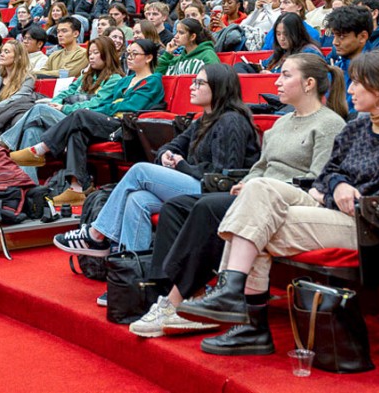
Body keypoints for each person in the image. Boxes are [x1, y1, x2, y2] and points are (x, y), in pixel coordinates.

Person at [176, 50, 379, 356]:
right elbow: (328, 173)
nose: (349, 90)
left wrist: (338, 189)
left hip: (368, 227)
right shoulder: (356, 127)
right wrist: (338, 185)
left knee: (256, 227)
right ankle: (233, 293)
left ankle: (250, 323)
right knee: (258, 191)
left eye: (357, 84)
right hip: (331, 209)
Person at [130, 53, 349, 339]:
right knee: (176, 206)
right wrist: (245, 183)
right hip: (255, 194)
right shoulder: (281, 123)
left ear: (308, 84)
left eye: (285, 75)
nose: (277, 81)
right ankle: (169, 293)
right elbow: (260, 167)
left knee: (208, 207)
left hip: (285, 200)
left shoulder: (330, 124)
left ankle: (176, 302)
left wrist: (256, 186)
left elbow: (319, 179)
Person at [53, 64, 260, 257]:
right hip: (199, 185)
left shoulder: (231, 121)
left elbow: (222, 175)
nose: (192, 87)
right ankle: (131, 274)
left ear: (219, 87)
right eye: (194, 81)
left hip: (218, 194)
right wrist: (166, 155)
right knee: (138, 200)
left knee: (140, 170)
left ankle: (97, 234)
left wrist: (181, 165)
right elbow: (171, 145)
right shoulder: (204, 119)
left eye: (200, 83)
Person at [9, 39, 165, 202]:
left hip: (125, 127)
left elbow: (129, 106)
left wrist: (103, 108)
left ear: (148, 58)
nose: (129, 57)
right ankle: (76, 190)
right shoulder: (125, 81)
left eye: (135, 54)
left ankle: (41, 149)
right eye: (128, 54)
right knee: (77, 132)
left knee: (81, 114)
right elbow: (107, 103)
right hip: (109, 121)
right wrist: (105, 108)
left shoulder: (152, 81)